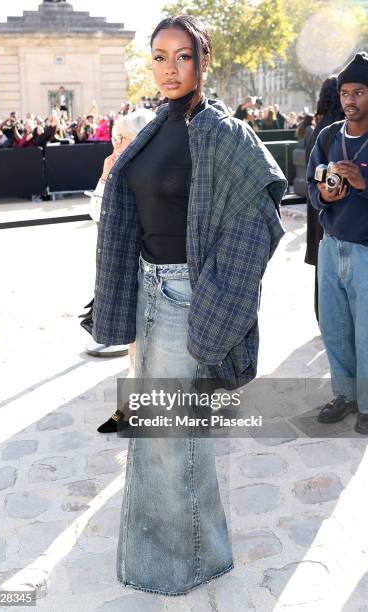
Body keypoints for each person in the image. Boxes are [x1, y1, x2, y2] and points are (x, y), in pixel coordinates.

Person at [91, 14, 286, 595]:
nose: (169, 69)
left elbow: (259, 227)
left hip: (187, 299)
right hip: (150, 289)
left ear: (203, 61)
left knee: (177, 443)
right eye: (159, 56)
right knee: (155, 437)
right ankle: (174, 556)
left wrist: (216, 312)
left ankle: (188, 564)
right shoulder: (154, 125)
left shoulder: (223, 133)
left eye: (182, 56)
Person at [83, 109, 155, 433]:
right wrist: (103, 179)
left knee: (146, 352)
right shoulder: (119, 171)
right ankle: (130, 409)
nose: (114, 146)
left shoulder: (150, 176)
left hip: (154, 274)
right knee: (135, 349)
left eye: (120, 139)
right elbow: (97, 215)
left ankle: (133, 411)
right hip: (128, 275)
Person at [307, 52, 368, 434]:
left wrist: (362, 184)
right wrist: (325, 197)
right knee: (335, 328)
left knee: (367, 330)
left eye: (359, 92)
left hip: (365, 250)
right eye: (345, 92)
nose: (349, 100)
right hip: (332, 246)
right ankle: (344, 394)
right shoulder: (328, 136)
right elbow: (312, 187)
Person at [304, 76, 344, 320]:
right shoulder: (337, 131)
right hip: (333, 206)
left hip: (316, 204)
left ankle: (322, 315)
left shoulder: (318, 128)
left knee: (323, 267)